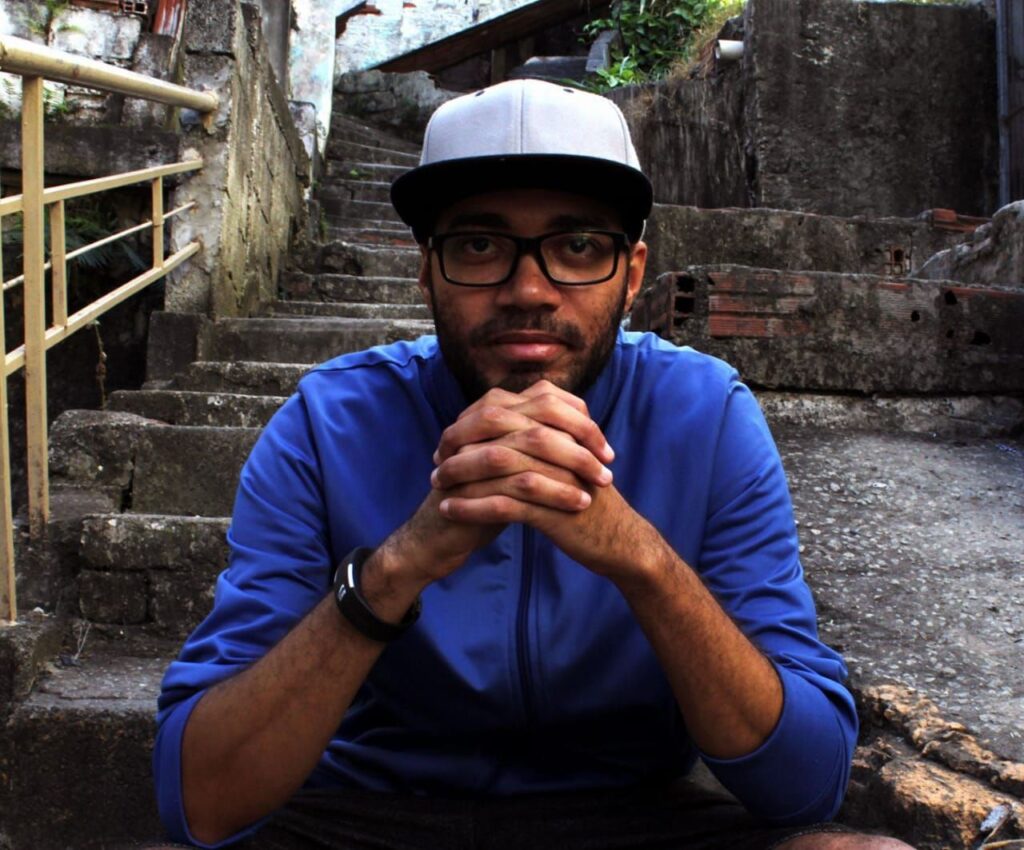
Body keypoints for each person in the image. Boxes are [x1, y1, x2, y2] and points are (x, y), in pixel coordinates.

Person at [152, 79, 911, 850]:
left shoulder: (706, 414)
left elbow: (806, 783)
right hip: (367, 814)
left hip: (635, 819)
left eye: (577, 246)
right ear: (426, 270)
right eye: (479, 246)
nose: (529, 291)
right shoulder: (326, 424)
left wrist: (643, 561)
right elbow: (202, 800)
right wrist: (397, 568)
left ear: (633, 273)